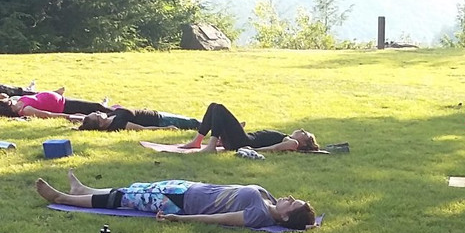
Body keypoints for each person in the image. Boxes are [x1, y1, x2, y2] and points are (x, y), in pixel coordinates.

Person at [35, 170, 316, 230]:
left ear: (287, 217)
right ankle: (85, 189)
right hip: (187, 186)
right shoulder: (266, 199)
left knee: (124, 199)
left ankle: (65, 198)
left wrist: (179, 218)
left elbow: (217, 219)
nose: (289, 198)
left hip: (178, 201)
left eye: (292, 203)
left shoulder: (259, 216)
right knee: (134, 189)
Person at [171, 102, 319, 152]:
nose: (302, 130)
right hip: (242, 139)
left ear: (303, 143)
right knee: (214, 107)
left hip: (244, 143)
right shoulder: (285, 136)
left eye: (305, 134)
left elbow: (273, 149)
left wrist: (252, 150)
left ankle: (209, 146)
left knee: (219, 108)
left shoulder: (292, 142)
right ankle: (198, 141)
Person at [0, 91, 114, 119]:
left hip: (63, 100)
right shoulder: (25, 110)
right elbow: (47, 114)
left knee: (95, 106)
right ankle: (116, 114)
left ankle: (112, 111)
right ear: (9, 107)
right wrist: (67, 116)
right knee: (96, 107)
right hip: (64, 106)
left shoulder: (19, 102)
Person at [77, 107, 201, 132]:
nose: (99, 112)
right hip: (159, 120)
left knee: (192, 121)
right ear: (100, 123)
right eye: (97, 115)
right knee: (193, 123)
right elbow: (143, 129)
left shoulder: (109, 116)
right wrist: (165, 128)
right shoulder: (119, 124)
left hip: (156, 113)